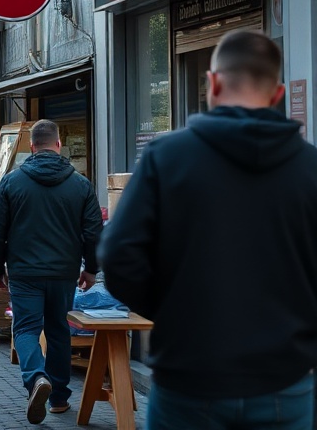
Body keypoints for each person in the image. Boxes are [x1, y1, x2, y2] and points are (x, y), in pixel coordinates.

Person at [99, 30, 317, 430]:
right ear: (277, 93)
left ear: (213, 83)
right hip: (286, 382)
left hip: (188, 379)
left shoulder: (166, 158)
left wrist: (173, 315)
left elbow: (117, 255)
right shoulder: (310, 169)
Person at [0, 118, 102, 425]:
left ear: (32, 147)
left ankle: (36, 377)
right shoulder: (81, 184)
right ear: (59, 145)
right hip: (64, 273)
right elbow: (93, 232)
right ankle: (60, 399)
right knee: (59, 331)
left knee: (25, 329)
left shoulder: (12, 181)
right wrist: (91, 269)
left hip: (24, 273)